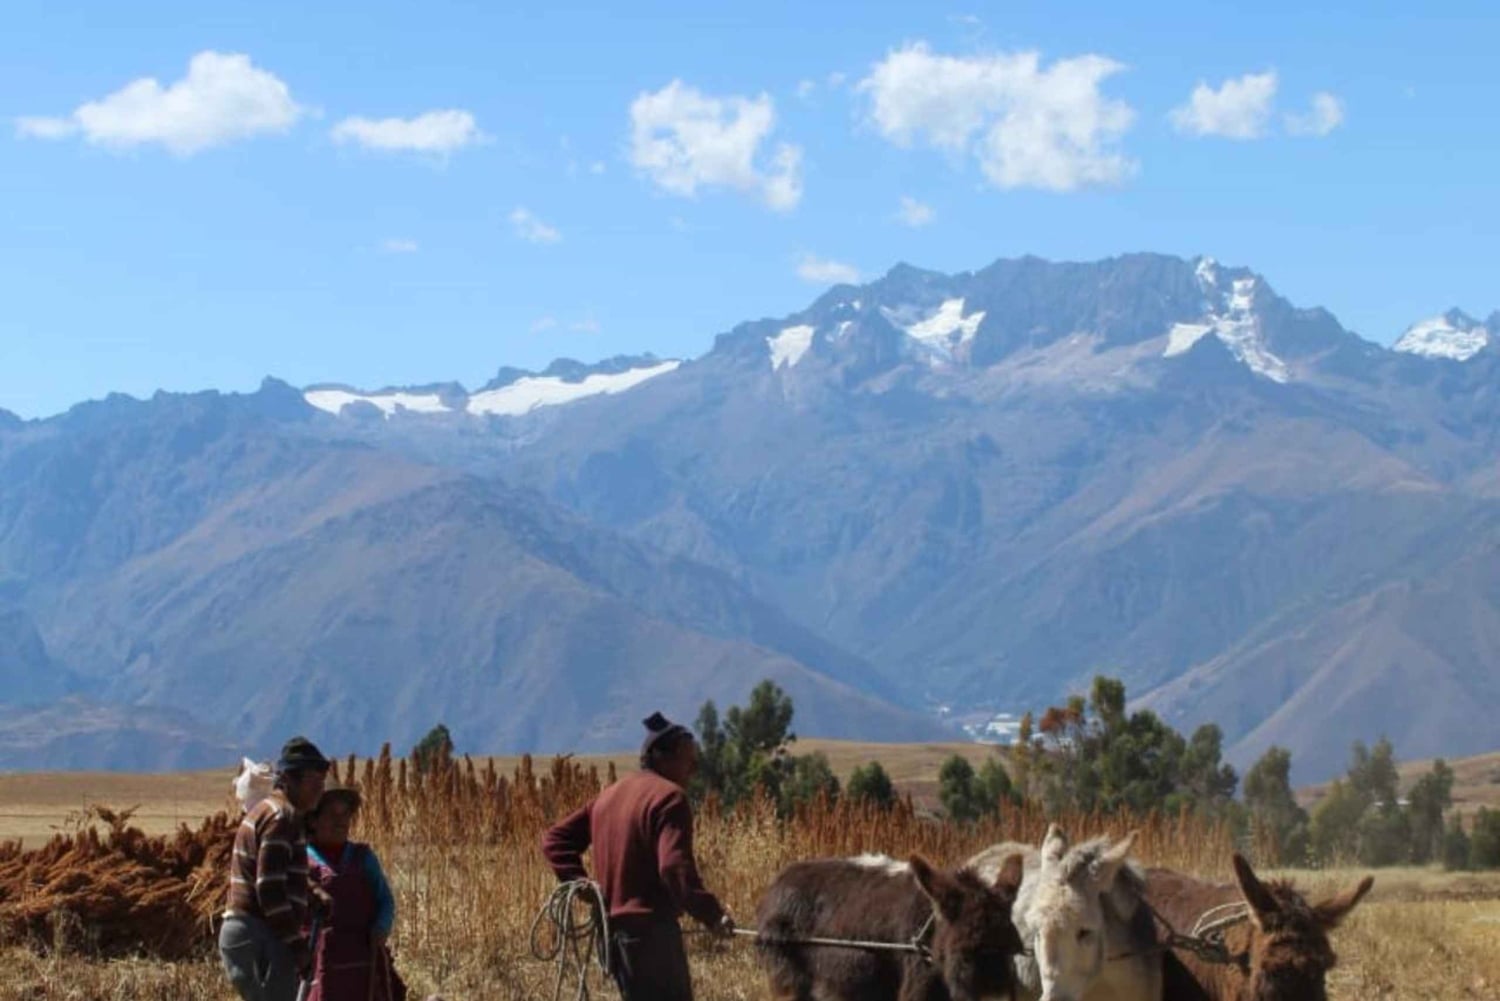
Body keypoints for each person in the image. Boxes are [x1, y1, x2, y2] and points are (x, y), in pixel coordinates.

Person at [541, 711, 735, 1001]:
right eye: (689, 760)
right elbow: (673, 869)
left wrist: (583, 885)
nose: (693, 770)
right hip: (653, 940)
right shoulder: (670, 798)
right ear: (663, 758)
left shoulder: (608, 797)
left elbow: (555, 840)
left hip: (616, 940)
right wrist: (712, 915)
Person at [220, 736, 331, 1001]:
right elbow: (270, 890)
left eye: (322, 781)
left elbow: (275, 873)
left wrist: (310, 891)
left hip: (248, 933)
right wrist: (296, 944)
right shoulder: (282, 818)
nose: (319, 789)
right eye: (313, 781)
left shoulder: (268, 811)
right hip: (260, 935)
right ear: (289, 780)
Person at [301, 783, 408, 1001]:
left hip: (364, 953)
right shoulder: (301, 859)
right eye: (332, 814)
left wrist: (381, 927)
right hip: (318, 957)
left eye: (345, 815)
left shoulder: (363, 857)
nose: (340, 821)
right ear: (313, 820)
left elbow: (384, 898)